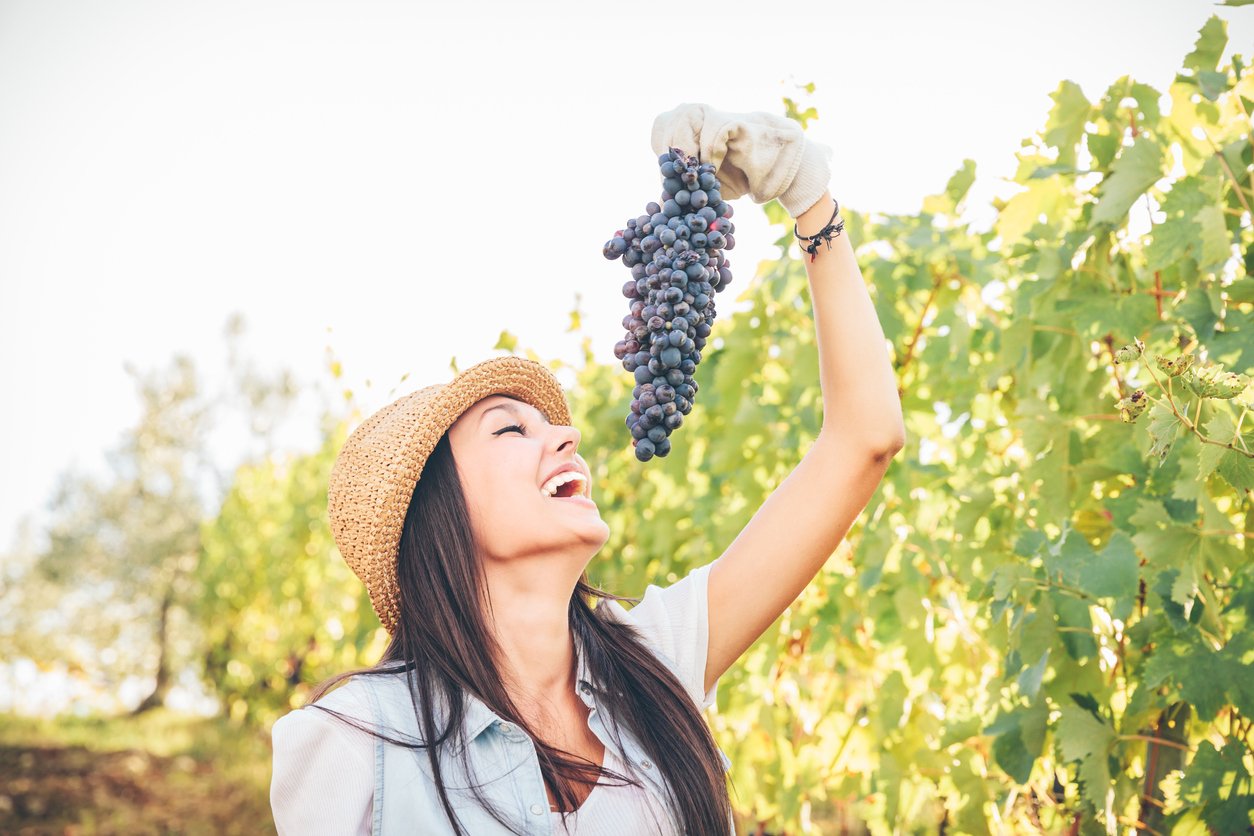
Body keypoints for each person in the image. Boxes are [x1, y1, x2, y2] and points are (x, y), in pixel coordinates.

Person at [269, 102, 906, 835]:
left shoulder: (656, 661)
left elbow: (866, 438)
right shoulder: (355, 741)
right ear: (433, 508)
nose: (567, 438)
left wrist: (808, 199)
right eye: (511, 429)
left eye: (557, 425)